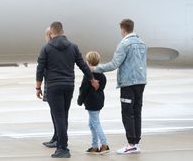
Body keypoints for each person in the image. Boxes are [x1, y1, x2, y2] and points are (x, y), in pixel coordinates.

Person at [36, 22, 95, 158]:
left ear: (51, 32)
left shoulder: (46, 48)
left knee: (58, 116)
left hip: (53, 86)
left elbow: (40, 69)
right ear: (62, 31)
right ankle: (61, 143)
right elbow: (82, 65)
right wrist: (91, 79)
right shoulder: (73, 47)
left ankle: (62, 148)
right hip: (69, 85)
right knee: (64, 115)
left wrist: (38, 87)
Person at [91, 19, 147, 155]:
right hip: (141, 82)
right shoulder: (142, 43)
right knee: (137, 112)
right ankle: (136, 143)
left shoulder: (124, 44)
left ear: (122, 29)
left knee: (127, 113)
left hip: (128, 83)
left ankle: (131, 144)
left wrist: (95, 68)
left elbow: (114, 64)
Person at [77, 51, 110, 155]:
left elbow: (83, 89)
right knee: (91, 124)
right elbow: (101, 87)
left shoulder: (89, 75)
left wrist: (80, 100)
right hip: (99, 101)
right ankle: (94, 146)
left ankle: (104, 145)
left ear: (88, 62)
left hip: (91, 102)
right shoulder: (102, 75)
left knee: (95, 123)